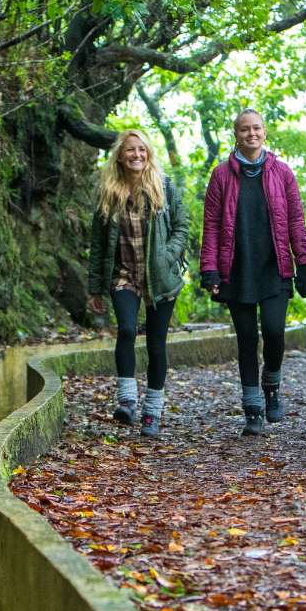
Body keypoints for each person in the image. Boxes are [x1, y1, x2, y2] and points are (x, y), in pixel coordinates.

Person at [200, 110, 306, 437]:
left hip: (274, 266)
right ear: (236, 134)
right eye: (245, 129)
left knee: (275, 332)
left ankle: (272, 387)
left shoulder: (282, 173)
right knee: (247, 339)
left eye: (257, 128)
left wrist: (303, 262)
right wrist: (210, 270)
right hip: (236, 270)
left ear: (265, 132)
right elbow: (211, 226)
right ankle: (252, 408)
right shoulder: (221, 175)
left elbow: (295, 220)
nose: (252, 134)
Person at [86, 130, 189, 439]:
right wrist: (94, 288)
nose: (136, 155)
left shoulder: (164, 186)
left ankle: (152, 413)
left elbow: (183, 226)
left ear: (148, 154)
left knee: (157, 344)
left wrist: (167, 256)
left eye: (141, 150)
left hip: (160, 278)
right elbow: (98, 243)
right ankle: (127, 400)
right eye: (130, 150)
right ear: (120, 155)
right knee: (128, 330)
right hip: (123, 276)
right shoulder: (109, 192)